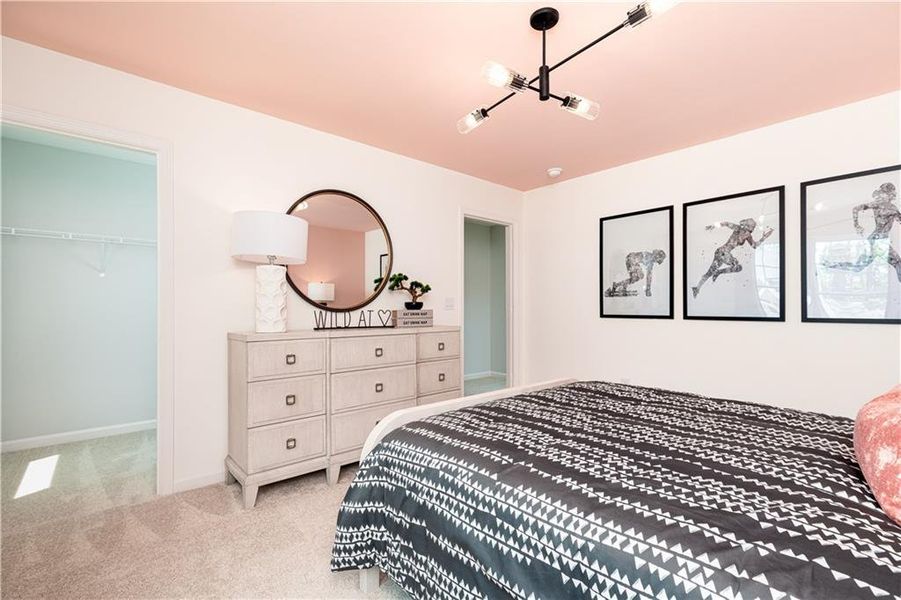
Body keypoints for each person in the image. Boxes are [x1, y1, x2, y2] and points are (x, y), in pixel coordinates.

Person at [823, 182, 901, 282]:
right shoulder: (879, 205)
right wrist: (856, 225)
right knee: (898, 263)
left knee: (858, 267)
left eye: (888, 193)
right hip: (878, 241)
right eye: (884, 193)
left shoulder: (892, 208)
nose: (886, 195)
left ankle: (829, 264)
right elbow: (856, 208)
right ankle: (829, 264)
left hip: (877, 241)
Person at [692, 218, 772, 298]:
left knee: (710, 272)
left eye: (754, 227)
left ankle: (697, 288)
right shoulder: (738, 228)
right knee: (737, 267)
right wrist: (713, 225)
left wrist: (764, 238)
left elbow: (754, 246)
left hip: (722, 253)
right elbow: (726, 223)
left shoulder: (748, 236)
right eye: (752, 226)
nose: (753, 228)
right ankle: (717, 273)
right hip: (722, 253)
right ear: (747, 226)